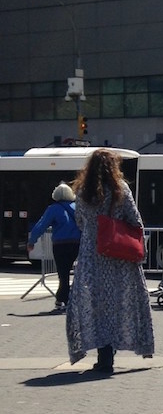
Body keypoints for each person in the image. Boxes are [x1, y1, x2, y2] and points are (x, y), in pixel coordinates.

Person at [66, 149, 154, 373]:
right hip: (118, 256)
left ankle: (103, 353)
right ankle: (112, 349)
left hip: (91, 255)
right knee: (119, 302)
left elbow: (79, 221)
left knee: (96, 305)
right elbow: (135, 219)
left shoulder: (83, 191)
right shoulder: (120, 189)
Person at [26, 182, 81, 312]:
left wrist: (31, 242)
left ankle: (62, 299)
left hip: (60, 245)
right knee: (77, 273)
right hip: (77, 244)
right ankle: (71, 298)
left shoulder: (53, 209)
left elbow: (41, 226)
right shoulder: (77, 207)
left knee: (63, 273)